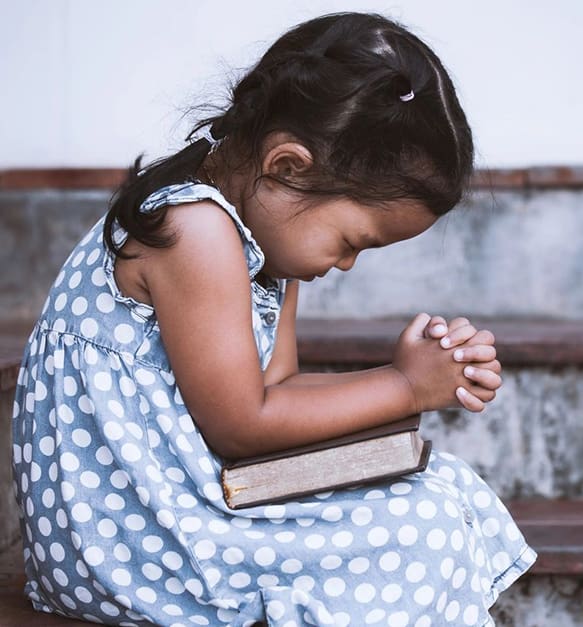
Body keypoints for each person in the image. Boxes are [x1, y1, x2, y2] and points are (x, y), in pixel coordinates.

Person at [11, 12, 536, 626]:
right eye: (352, 240)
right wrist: (402, 386)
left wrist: (410, 378)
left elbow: (276, 391)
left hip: (185, 510)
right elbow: (243, 425)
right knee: (419, 530)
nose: (345, 264)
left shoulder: (263, 244)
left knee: (439, 492)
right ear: (288, 167)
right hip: (129, 544)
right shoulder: (194, 231)